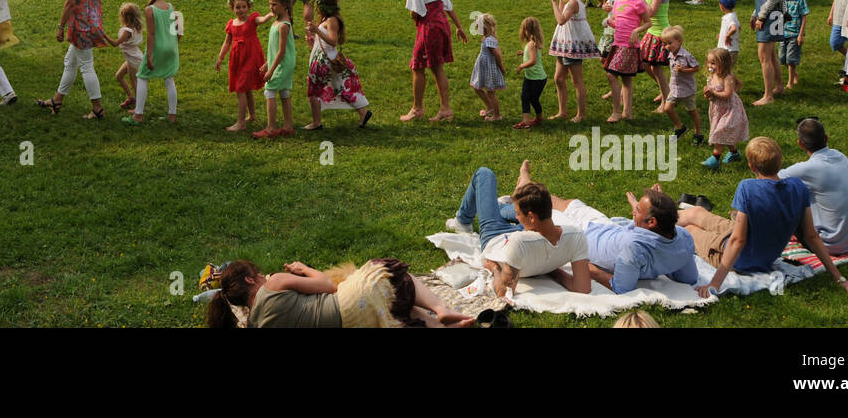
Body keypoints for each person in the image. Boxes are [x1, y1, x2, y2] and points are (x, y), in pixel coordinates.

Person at [678, 138, 848, 296]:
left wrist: (715, 283)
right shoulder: (798, 187)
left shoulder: (747, 188)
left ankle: (653, 225)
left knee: (690, 230)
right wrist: (839, 278)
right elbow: (811, 236)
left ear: (751, 166)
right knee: (697, 212)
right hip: (760, 251)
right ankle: (659, 216)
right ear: (780, 161)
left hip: (743, 260)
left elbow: (738, 240)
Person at [445, 160, 591, 297]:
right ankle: (511, 200)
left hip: (495, 236)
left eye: (518, 214)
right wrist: (552, 269)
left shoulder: (520, 242)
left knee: (484, 174)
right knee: (510, 211)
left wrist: (493, 268)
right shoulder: (576, 235)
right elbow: (582, 288)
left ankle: (462, 221)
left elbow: (503, 292)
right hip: (529, 229)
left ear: (531, 217)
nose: (517, 215)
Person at [206, 257, 472, 329]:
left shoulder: (257, 324)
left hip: (352, 325)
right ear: (251, 279)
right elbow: (327, 285)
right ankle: (441, 308)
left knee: (390, 308)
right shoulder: (273, 283)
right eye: (258, 273)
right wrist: (303, 268)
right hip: (346, 304)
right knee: (389, 272)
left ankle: (441, 325)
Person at [546, 185, 698, 295]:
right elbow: (689, 277)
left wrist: (590, 269)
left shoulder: (634, 247)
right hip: (607, 229)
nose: (633, 212)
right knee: (568, 204)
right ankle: (525, 183)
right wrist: (641, 212)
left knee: (544, 205)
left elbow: (621, 288)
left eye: (637, 210)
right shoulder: (684, 238)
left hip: (580, 233)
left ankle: (524, 187)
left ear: (652, 222)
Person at [34, 0, 111, 119]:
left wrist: (61, 26)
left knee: (86, 66)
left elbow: (69, 3)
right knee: (70, 62)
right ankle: (57, 100)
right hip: (93, 22)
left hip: (80, 25)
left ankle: (98, 108)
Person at [778, 118, 848, 256]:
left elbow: (771, 179)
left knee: (787, 194)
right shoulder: (841, 156)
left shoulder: (808, 169)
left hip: (828, 245)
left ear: (800, 144)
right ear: (826, 138)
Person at [400, 0, 467, 123]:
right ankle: (445, 109)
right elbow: (447, 5)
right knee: (437, 67)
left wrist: (412, 15)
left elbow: (416, 11)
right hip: (442, 24)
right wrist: (459, 26)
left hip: (429, 27)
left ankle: (417, 109)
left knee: (417, 66)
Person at [304, 0, 369, 129]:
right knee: (340, 88)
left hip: (324, 62)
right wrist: (312, 41)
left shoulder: (331, 21)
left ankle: (316, 122)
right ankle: (363, 112)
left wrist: (317, 31)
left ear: (323, 7)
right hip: (324, 59)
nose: (316, 9)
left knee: (313, 91)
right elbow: (325, 42)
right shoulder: (325, 20)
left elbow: (333, 41)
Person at [548, 0, 598, 122]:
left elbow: (561, 20)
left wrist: (554, 4)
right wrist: (561, 2)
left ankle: (581, 114)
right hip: (564, 44)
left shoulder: (574, 2)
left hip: (573, 44)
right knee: (558, 78)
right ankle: (562, 112)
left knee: (576, 80)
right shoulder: (570, 1)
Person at [130, 0, 181, 124]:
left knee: (142, 76)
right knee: (169, 79)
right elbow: (176, 29)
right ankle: (172, 115)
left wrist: (150, 55)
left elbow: (152, 34)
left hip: (158, 47)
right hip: (171, 47)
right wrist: (174, 44)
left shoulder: (149, 10)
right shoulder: (170, 7)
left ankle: (138, 115)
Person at [602, 0, 651, 123]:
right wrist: (609, 21)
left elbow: (648, 22)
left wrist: (637, 30)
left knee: (611, 74)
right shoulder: (617, 2)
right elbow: (619, 21)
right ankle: (627, 112)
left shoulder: (638, 2)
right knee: (626, 79)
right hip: (617, 43)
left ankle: (616, 112)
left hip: (628, 46)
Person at [216, 0, 266, 132]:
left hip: (251, 57)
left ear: (248, 8)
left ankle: (241, 122)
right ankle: (252, 116)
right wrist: (220, 57)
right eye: (238, 7)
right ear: (232, 8)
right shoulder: (231, 24)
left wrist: (269, 15)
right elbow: (227, 42)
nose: (241, 10)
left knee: (241, 89)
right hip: (238, 59)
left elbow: (261, 20)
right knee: (247, 88)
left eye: (244, 7)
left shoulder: (252, 19)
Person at [746, 0, 785, 107]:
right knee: (770, 55)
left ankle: (768, 95)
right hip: (768, 14)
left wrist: (761, 17)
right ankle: (779, 87)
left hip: (771, 16)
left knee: (764, 57)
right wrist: (756, 13)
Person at [255, 0, 295, 138]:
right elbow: (274, 49)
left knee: (269, 90)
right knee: (284, 92)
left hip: (282, 64)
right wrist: (267, 63)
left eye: (274, 5)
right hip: (280, 62)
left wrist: (271, 70)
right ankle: (288, 126)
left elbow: (282, 51)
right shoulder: (278, 21)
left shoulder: (283, 25)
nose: (271, 7)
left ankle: (271, 128)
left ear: (284, 5)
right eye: (270, 4)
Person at [700, 47, 747, 168]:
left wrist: (713, 93)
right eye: (709, 62)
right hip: (717, 109)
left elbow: (727, 95)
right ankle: (734, 153)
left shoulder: (727, 78)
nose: (710, 65)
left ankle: (715, 158)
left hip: (730, 109)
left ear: (723, 64)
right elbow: (711, 94)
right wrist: (708, 94)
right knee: (725, 133)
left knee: (721, 131)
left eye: (713, 63)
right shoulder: (711, 76)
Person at [656, 26, 703, 143]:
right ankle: (680, 127)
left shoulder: (686, 55)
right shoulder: (670, 54)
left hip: (687, 90)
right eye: (665, 44)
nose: (667, 46)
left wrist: (684, 70)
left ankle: (698, 133)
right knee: (667, 108)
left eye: (669, 43)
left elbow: (697, 68)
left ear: (679, 41)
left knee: (692, 112)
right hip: (674, 89)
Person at [513, 17, 548, 130]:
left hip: (537, 79)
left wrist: (521, 66)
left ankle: (534, 119)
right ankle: (528, 120)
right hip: (532, 77)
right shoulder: (532, 43)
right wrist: (523, 52)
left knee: (532, 98)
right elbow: (533, 55)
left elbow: (533, 61)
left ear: (526, 30)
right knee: (526, 97)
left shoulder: (531, 44)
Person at [469, 13, 505, 122]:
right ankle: (490, 107)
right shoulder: (487, 37)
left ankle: (497, 115)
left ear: (484, 27)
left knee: (491, 92)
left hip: (489, 68)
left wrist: (501, 66)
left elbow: (497, 54)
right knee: (477, 87)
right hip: (484, 68)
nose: (476, 28)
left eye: (477, 26)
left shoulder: (489, 40)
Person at [780, 0, 809, 90]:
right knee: (782, 58)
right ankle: (794, 74)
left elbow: (804, 17)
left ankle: (790, 82)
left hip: (794, 34)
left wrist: (800, 35)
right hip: (782, 34)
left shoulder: (800, 0)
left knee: (791, 59)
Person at [717, 0, 740, 66]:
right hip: (730, 49)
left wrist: (727, 36)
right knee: (725, 71)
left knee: (725, 71)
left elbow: (734, 29)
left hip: (728, 50)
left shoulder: (729, 17)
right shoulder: (733, 16)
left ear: (722, 5)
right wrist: (722, 35)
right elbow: (739, 28)